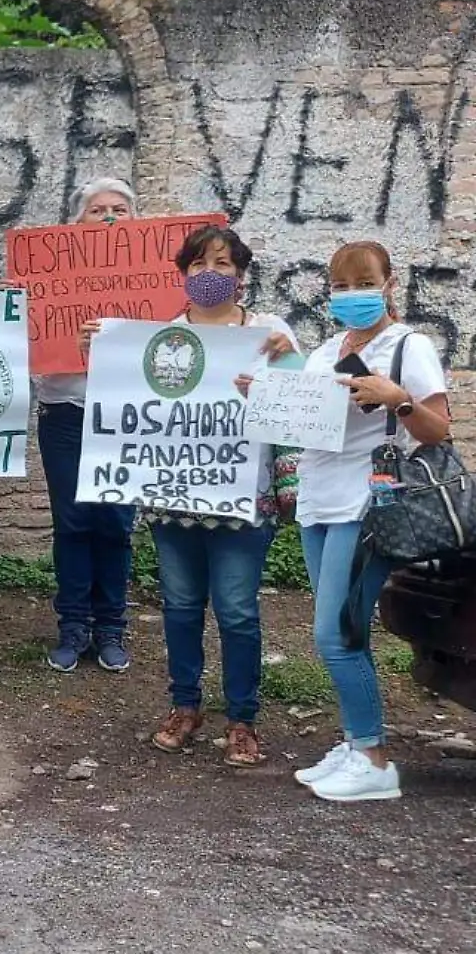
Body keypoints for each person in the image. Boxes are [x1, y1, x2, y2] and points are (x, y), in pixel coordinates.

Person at [77, 226, 297, 767]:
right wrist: (100, 356)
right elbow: (128, 405)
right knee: (179, 606)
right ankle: (185, 705)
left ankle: (242, 719)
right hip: (174, 502)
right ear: (182, 274)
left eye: (221, 265)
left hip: (245, 501)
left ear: (241, 275)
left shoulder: (269, 333)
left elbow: (301, 403)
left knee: (238, 611)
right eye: (198, 265)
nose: (209, 275)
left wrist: (284, 364)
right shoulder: (161, 340)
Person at [283, 241, 451, 803]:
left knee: (337, 633)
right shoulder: (326, 349)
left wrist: (397, 398)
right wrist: (264, 396)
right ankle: (357, 744)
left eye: (364, 282)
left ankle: (374, 760)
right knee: (341, 629)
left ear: (388, 283)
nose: (351, 294)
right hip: (319, 499)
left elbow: (437, 430)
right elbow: (303, 417)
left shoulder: (410, 346)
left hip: (369, 503)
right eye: (340, 284)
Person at [41, 178, 142, 674]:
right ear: (76, 223)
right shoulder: (51, 276)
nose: (107, 218)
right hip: (66, 413)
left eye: (118, 210)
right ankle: (73, 624)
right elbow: (34, 353)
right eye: (96, 209)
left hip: (127, 417)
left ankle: (111, 627)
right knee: (74, 521)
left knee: (116, 523)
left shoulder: (155, 280)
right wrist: (68, 340)